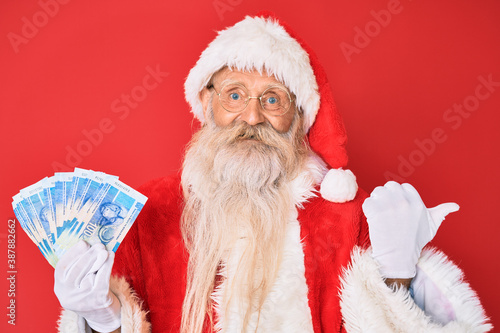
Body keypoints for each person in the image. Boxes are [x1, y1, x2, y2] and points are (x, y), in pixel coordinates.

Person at [54, 14, 492, 333]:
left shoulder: (348, 219)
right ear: (207, 105)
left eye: (272, 100)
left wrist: (400, 278)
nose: (251, 116)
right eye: (235, 95)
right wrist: (102, 319)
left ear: (299, 119)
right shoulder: (147, 212)